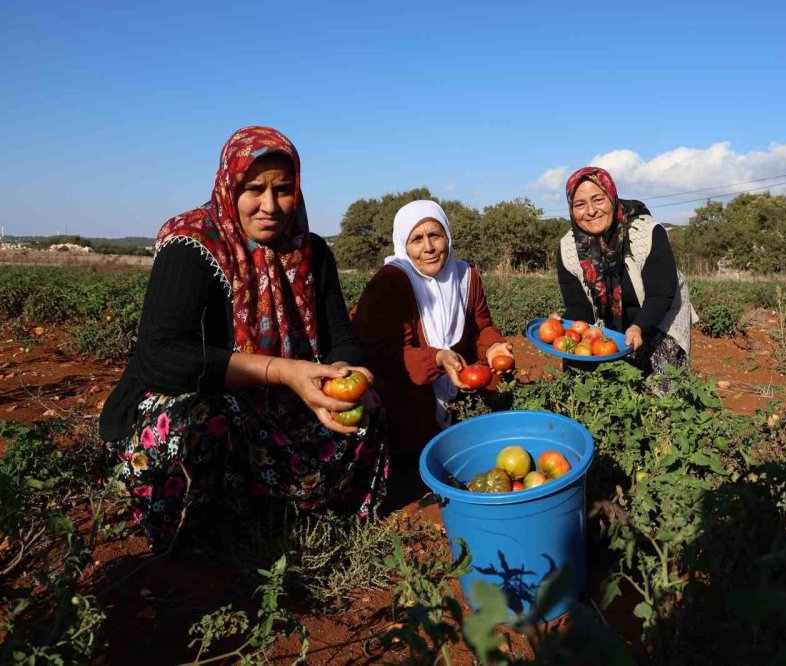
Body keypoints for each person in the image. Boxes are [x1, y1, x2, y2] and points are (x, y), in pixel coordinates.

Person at [99, 126, 387, 551]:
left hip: (282, 405)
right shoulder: (192, 242)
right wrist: (280, 371)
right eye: (255, 189)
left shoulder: (312, 251)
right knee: (205, 415)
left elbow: (339, 338)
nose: (270, 206)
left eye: (283, 190)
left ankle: (293, 511)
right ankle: (201, 534)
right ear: (230, 185)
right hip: (205, 398)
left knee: (369, 409)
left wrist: (347, 375)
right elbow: (160, 357)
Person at [350, 200, 513, 457]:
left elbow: (481, 326)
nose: (428, 248)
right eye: (416, 239)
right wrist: (436, 358)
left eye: (435, 235)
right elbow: (380, 353)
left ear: (447, 236)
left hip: (456, 383)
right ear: (403, 244)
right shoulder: (391, 282)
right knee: (415, 452)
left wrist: (493, 346)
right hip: (405, 392)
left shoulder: (465, 275)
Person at [556, 166, 697, 389]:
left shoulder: (646, 233)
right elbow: (578, 307)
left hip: (660, 315)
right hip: (610, 322)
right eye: (580, 204)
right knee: (584, 373)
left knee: (665, 390)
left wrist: (640, 326)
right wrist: (564, 325)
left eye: (598, 200)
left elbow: (661, 294)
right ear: (571, 209)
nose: (591, 211)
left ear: (612, 198)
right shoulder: (568, 249)